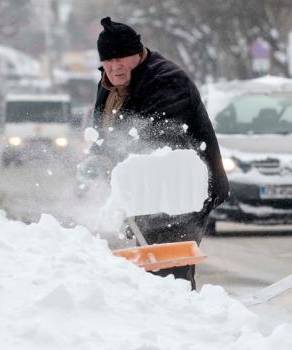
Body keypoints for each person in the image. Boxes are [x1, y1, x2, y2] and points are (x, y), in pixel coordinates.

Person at [89, 17, 229, 290]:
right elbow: (105, 129)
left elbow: (157, 141)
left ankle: (184, 325)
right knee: (151, 274)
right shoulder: (109, 82)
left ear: (138, 53)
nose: (115, 66)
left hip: (178, 194)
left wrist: (114, 164)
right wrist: (97, 157)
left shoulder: (166, 80)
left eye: (123, 58)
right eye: (108, 60)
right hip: (144, 194)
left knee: (170, 278)